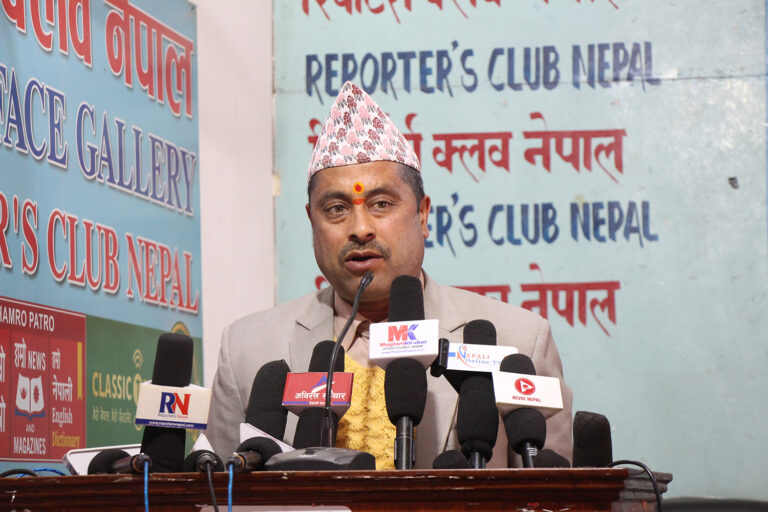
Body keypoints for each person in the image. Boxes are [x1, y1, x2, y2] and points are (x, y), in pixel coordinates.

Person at [206, 81, 573, 469]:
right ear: (311, 221)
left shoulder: (520, 341)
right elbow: (217, 492)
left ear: (422, 215)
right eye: (336, 209)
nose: (360, 229)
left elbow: (554, 492)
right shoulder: (247, 350)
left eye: (381, 204)